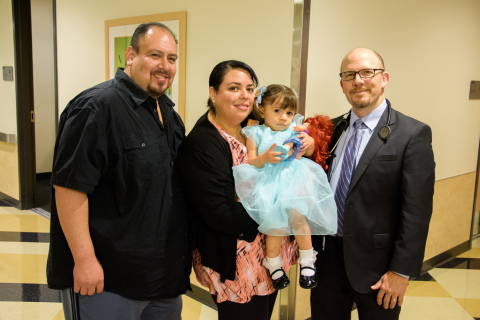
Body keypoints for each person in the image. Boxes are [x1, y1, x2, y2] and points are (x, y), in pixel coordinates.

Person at [46, 22, 190, 320]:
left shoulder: (168, 113)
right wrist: (84, 260)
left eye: (172, 59)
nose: (165, 66)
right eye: (155, 55)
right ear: (130, 55)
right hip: (109, 279)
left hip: (162, 277)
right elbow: (69, 189)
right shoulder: (96, 107)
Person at [309, 48, 435, 319]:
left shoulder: (412, 134)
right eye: (349, 74)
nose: (358, 80)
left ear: (384, 78)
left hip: (379, 269)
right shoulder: (332, 130)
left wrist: (401, 272)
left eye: (367, 72)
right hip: (327, 260)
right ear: (342, 84)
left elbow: (417, 212)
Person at [178, 61, 298, 320]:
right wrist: (279, 210)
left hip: (270, 255)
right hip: (238, 261)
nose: (245, 95)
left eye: (250, 88)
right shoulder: (203, 143)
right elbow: (220, 213)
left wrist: (306, 143)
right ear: (213, 93)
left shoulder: (256, 125)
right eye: (234, 88)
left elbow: (293, 137)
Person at [231, 84, 337, 290]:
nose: (283, 117)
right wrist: (266, 157)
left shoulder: (295, 129)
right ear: (262, 109)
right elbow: (250, 161)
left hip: (294, 180)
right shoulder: (255, 132)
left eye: (289, 112)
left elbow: (306, 150)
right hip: (270, 184)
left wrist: (302, 145)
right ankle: (273, 265)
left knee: (298, 218)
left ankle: (308, 261)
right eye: (277, 111)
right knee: (275, 227)